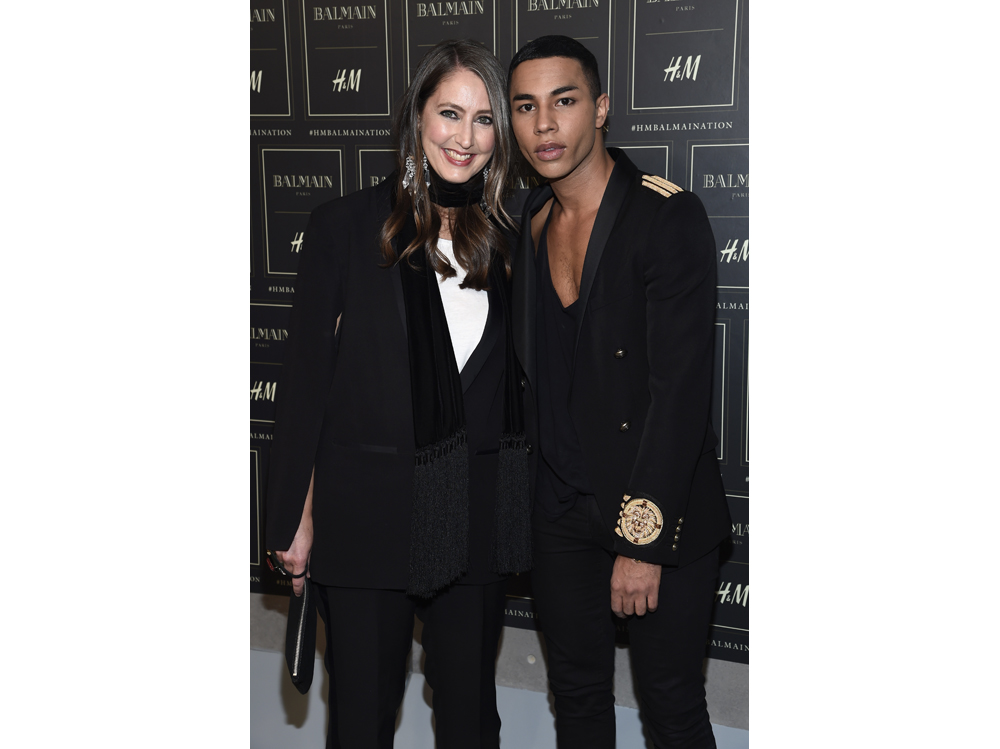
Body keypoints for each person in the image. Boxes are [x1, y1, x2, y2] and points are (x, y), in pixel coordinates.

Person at [265, 39, 531, 749]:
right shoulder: (345, 227)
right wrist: (295, 517)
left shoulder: (509, 240)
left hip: (473, 523)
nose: (465, 137)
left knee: (472, 724)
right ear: (417, 117)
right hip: (365, 519)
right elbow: (305, 385)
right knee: (361, 722)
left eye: (484, 119)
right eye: (450, 113)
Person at [507, 36, 732, 748]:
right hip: (559, 512)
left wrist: (642, 543)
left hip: (658, 511)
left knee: (670, 705)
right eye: (525, 107)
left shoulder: (667, 216)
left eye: (564, 101)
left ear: (600, 108)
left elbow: (681, 396)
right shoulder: (527, 222)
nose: (545, 124)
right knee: (576, 699)